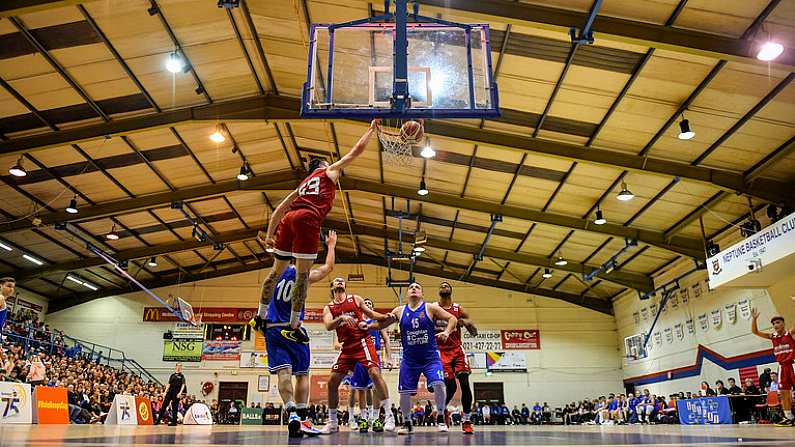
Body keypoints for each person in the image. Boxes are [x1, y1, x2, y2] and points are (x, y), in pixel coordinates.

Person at [254, 121, 376, 333]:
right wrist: (370, 131)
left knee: (274, 273)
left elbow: (278, 211)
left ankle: (259, 316)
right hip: (307, 218)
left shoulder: (301, 186)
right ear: (323, 164)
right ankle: (293, 325)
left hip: (289, 218)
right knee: (302, 276)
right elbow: (355, 153)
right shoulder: (327, 171)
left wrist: (270, 235)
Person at [251, 231, 337, 438]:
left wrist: (270, 241)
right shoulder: (302, 275)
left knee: (283, 373)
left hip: (272, 328)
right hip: (293, 328)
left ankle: (291, 413)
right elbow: (328, 268)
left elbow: (265, 290)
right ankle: (303, 415)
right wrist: (331, 245)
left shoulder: (274, 274)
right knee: (302, 374)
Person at [375, 282, 457, 435]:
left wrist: (446, 332)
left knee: (439, 384)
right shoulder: (399, 311)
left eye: (417, 287)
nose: (413, 288)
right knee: (404, 392)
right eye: (411, 287)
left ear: (422, 294)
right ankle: (407, 422)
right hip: (409, 359)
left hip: (430, 358)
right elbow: (381, 326)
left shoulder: (430, 308)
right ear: (407, 294)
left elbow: (453, 319)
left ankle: (440, 417)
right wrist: (366, 326)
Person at [318, 278, 396, 434]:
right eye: (336, 281)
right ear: (332, 287)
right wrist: (340, 318)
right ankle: (333, 422)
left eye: (341, 281)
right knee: (333, 382)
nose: (339, 281)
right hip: (347, 347)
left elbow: (371, 313)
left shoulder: (356, 299)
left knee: (374, 373)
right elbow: (328, 326)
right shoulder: (329, 308)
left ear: (345, 286)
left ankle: (389, 416)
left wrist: (384, 317)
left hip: (362, 342)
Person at [433, 281, 477, 434]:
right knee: (450, 386)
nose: (444, 286)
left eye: (446, 285)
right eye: (442, 285)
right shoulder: (433, 308)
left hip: (457, 349)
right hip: (440, 351)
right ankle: (442, 410)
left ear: (451, 291)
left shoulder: (458, 308)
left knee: (464, 382)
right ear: (439, 291)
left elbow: (474, 331)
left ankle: (466, 420)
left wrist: (466, 322)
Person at [349, 298, 393, 432]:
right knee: (361, 389)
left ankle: (374, 418)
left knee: (375, 388)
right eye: (365, 303)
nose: (367, 305)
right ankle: (363, 418)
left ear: (372, 308)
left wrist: (389, 357)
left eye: (370, 304)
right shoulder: (356, 322)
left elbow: (386, 340)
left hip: (375, 356)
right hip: (359, 357)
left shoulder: (377, 322)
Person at [752, 307, 794, 426]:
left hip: (792, 364)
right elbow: (755, 332)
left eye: (778, 322)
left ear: (783, 323)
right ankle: (789, 417)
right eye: (774, 323)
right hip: (782, 366)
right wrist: (754, 319)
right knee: (784, 393)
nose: (775, 325)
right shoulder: (772, 336)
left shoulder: (789, 333)